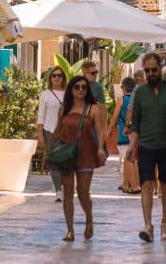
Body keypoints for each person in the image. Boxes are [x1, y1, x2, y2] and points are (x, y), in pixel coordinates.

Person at [127, 52, 166, 243]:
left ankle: (165, 222)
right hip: (145, 144)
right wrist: (131, 145)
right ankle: (147, 225)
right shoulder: (141, 92)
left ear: (161, 68)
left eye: (154, 70)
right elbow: (135, 122)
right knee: (146, 184)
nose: (151, 73)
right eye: (147, 71)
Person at [52, 75, 107, 241]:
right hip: (66, 154)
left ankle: (89, 219)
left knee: (83, 192)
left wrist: (100, 149)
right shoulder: (64, 108)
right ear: (71, 89)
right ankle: (70, 230)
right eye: (77, 87)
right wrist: (50, 148)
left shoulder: (93, 109)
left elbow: (100, 131)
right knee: (68, 192)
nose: (81, 90)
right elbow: (58, 129)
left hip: (86, 154)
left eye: (84, 87)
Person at [36, 66, 68, 201]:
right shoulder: (45, 94)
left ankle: (66, 186)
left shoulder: (69, 94)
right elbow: (41, 116)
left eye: (59, 75)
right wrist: (40, 134)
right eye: (54, 75)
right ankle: (58, 190)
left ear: (63, 78)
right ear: (50, 78)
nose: (56, 78)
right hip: (50, 130)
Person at [110, 77, 141, 193]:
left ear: (124, 87)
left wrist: (108, 130)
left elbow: (114, 117)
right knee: (134, 159)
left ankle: (134, 185)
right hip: (136, 133)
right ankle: (126, 184)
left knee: (127, 159)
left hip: (125, 132)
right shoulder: (137, 99)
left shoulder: (122, 100)